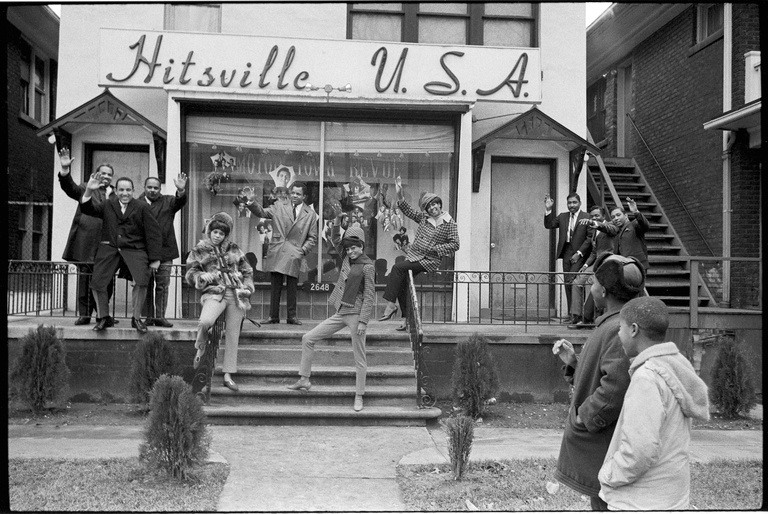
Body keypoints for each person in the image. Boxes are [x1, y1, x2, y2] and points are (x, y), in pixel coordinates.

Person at [551, 252, 646, 510]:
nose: (590, 287)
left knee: (606, 502)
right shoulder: (615, 323)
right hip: (605, 446)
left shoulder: (619, 329)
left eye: (592, 282)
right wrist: (574, 362)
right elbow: (608, 373)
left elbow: (614, 388)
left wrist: (585, 416)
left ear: (603, 291)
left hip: (606, 446)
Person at [598, 296, 710, 510]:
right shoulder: (675, 366)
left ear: (633, 329)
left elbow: (639, 451)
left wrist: (608, 474)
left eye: (620, 328)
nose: (618, 335)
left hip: (640, 502)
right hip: (671, 497)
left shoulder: (646, 378)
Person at [287, 223, 375, 412]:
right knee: (308, 338)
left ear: (362, 247)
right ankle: (304, 379)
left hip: (356, 315)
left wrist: (363, 321)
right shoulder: (346, 260)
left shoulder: (367, 266)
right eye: (349, 248)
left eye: (354, 248)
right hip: (341, 312)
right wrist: (337, 221)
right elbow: (336, 240)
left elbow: (369, 296)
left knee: (359, 358)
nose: (351, 251)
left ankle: (359, 396)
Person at [80, 173, 162, 333]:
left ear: (133, 191)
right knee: (97, 283)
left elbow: (153, 233)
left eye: (128, 190)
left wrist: (155, 259)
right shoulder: (107, 204)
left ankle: (136, 319)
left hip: (135, 250)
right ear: (116, 191)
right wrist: (89, 189)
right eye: (121, 190)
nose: (125, 193)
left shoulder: (142, 207)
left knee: (141, 281)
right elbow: (88, 209)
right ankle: (104, 317)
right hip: (110, 249)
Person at [379, 176, 459, 331]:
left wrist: (436, 249)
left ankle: (390, 305)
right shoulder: (424, 217)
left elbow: (455, 244)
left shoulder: (449, 222)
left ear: (439, 204)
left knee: (397, 268)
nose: (432, 208)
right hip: (414, 255)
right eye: (429, 206)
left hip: (429, 259)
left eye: (434, 204)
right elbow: (408, 211)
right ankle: (408, 321)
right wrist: (400, 195)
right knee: (402, 285)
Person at [185, 212, 254, 391]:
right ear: (210, 231)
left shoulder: (234, 249)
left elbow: (247, 271)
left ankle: (228, 375)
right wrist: (201, 276)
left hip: (236, 295)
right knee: (205, 321)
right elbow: (190, 273)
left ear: (226, 235)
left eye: (221, 233)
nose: (217, 236)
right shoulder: (200, 249)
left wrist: (247, 288)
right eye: (215, 232)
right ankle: (200, 347)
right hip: (215, 292)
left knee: (232, 335)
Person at [57, 147, 117, 325]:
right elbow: (70, 188)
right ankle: (85, 314)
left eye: (109, 175)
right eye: (103, 173)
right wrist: (65, 170)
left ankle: (103, 315)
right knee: (84, 279)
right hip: (86, 240)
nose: (106, 177)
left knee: (107, 281)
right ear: (96, 174)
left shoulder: (116, 194)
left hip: (107, 243)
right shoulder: (87, 187)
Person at [245, 181, 318, 325]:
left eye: (298, 194)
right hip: (278, 249)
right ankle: (273, 316)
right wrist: (252, 201)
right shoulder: (279, 206)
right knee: (275, 285)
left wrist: (302, 251)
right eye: (293, 193)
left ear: (304, 196)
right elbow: (262, 212)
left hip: (294, 252)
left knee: (292, 286)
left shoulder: (310, 214)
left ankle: (292, 316)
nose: (295, 196)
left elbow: (312, 237)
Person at [138, 174, 188, 327]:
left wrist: (181, 190)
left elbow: (180, 201)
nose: (152, 190)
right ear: (144, 188)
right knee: (145, 285)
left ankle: (160, 317)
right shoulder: (137, 203)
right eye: (149, 187)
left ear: (160, 189)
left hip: (165, 252)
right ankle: (148, 317)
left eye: (156, 188)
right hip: (144, 253)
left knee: (163, 285)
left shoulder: (168, 201)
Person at [544, 192, 592, 323]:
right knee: (567, 283)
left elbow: (589, 238)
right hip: (566, 252)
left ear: (580, 203)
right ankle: (573, 315)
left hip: (580, 255)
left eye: (574, 202)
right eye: (569, 203)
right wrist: (548, 209)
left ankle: (579, 315)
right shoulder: (563, 216)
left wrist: (579, 253)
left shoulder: (587, 217)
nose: (572, 205)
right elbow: (549, 225)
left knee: (575, 282)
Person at [569, 206, 615, 329]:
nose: (594, 218)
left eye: (597, 215)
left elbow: (609, 229)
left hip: (606, 263)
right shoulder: (594, 231)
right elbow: (594, 252)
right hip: (595, 263)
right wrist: (585, 265)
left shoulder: (608, 226)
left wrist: (594, 223)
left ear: (603, 217)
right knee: (577, 282)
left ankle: (591, 319)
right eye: (592, 216)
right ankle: (577, 316)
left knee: (591, 284)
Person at [601, 197, 650, 271]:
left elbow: (645, 225)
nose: (616, 218)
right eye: (613, 217)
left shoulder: (634, 225)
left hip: (637, 266)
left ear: (625, 215)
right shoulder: (616, 230)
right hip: (622, 267)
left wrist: (636, 212)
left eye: (618, 215)